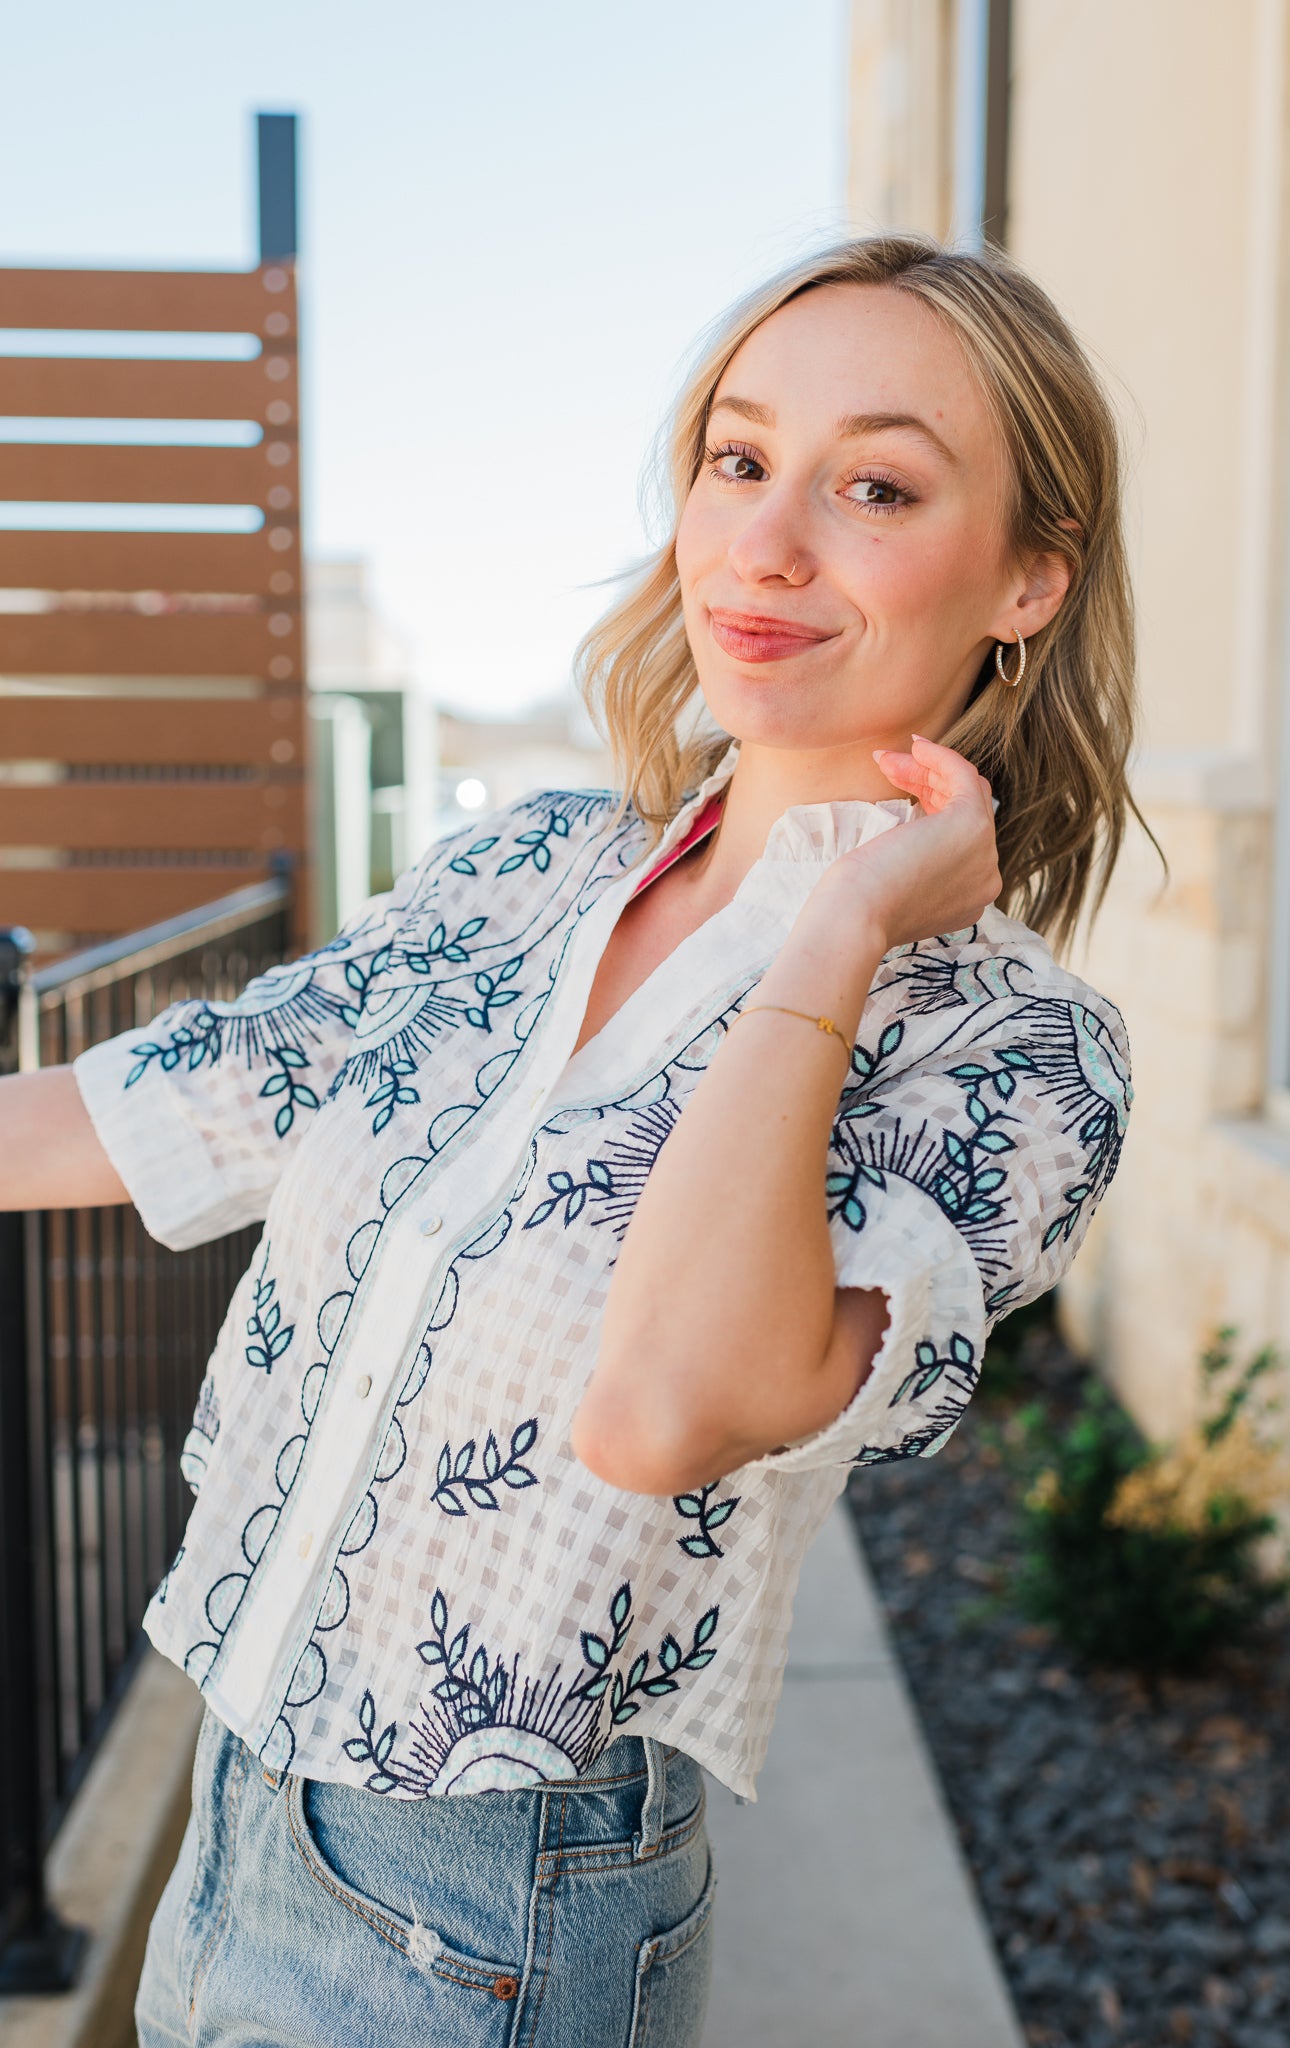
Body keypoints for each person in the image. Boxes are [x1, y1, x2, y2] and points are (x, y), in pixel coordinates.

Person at [2, 233, 1136, 2047]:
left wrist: (836, 930)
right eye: (738, 459)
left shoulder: (1009, 1052)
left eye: (874, 487)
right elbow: (198, 1089)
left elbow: (665, 1406)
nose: (765, 545)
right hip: (241, 1802)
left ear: (1026, 576)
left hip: (485, 1914)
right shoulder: (529, 867)